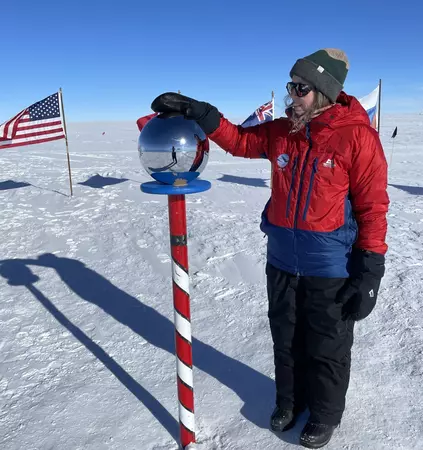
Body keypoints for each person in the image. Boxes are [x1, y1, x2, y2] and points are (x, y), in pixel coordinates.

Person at [151, 48, 389, 449]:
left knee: (327, 345)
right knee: (286, 337)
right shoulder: (283, 130)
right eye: (290, 86)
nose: (291, 95)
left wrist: (370, 269)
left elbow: (373, 206)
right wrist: (202, 112)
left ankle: (325, 414)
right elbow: (240, 141)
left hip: (329, 263)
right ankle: (290, 402)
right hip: (280, 258)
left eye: (301, 88)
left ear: (325, 92)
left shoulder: (357, 137)